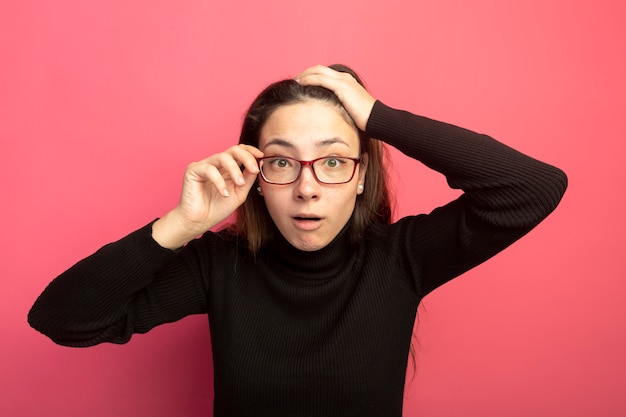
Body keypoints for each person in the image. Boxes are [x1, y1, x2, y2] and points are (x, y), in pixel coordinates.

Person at [28, 64, 568, 416]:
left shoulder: (402, 257)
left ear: (360, 177)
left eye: (332, 160)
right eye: (282, 162)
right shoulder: (219, 265)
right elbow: (63, 319)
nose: (307, 189)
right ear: (255, 179)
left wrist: (378, 117)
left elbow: (533, 188)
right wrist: (181, 225)